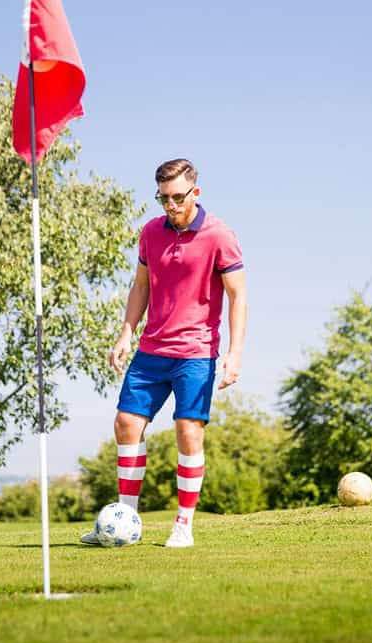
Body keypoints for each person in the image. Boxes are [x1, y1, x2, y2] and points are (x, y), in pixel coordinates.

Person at [81, 158, 247, 547]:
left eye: (177, 197)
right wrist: (125, 334)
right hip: (151, 349)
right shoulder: (150, 233)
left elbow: (239, 296)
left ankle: (184, 523)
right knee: (126, 422)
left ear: (195, 192)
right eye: (163, 199)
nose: (171, 206)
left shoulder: (220, 235)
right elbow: (141, 287)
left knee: (188, 431)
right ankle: (125, 521)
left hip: (196, 352)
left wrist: (235, 354)